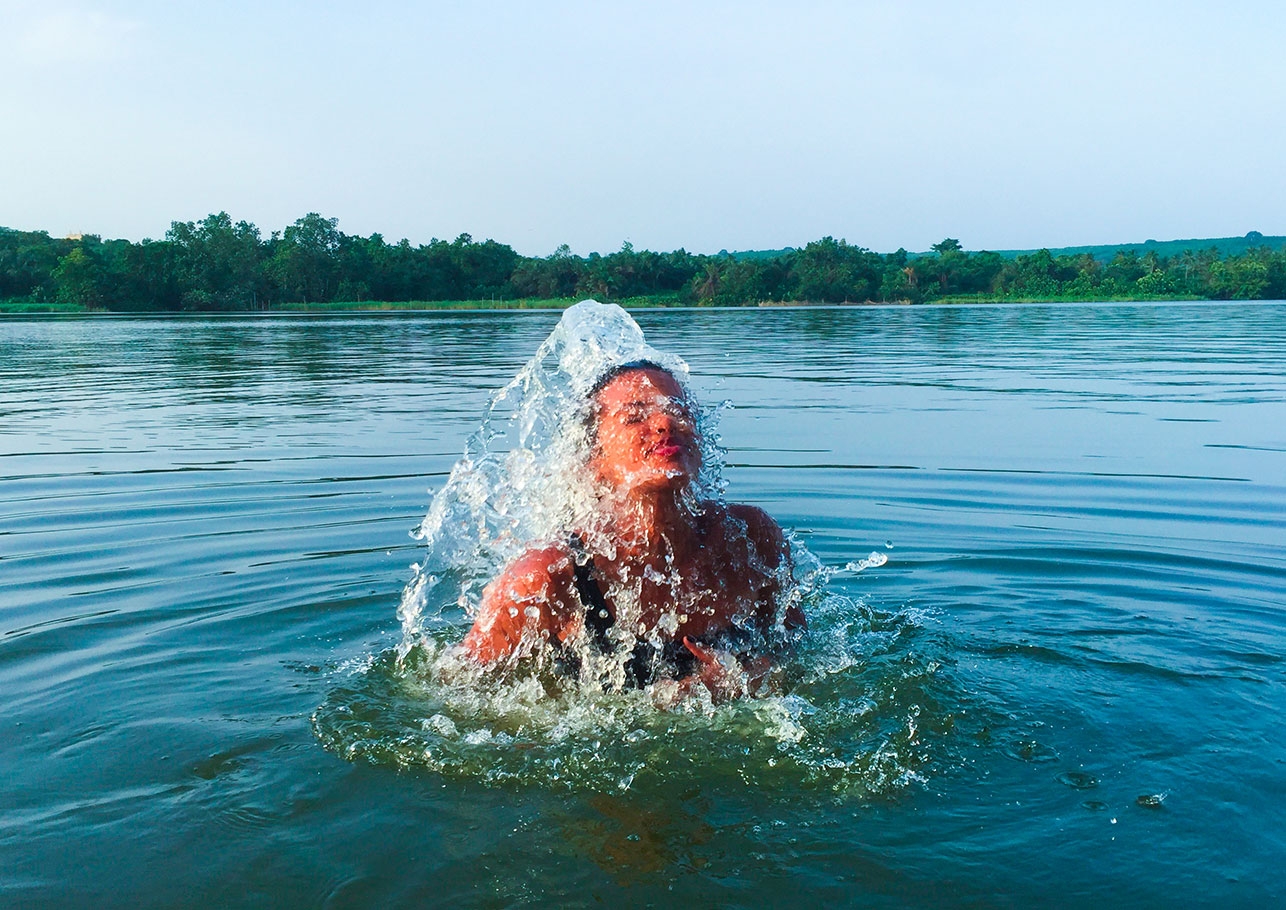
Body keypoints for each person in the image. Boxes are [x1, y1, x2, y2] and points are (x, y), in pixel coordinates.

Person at [459, 361, 804, 700]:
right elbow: (459, 687)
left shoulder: (749, 540)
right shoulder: (545, 578)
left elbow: (800, 652)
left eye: (679, 411)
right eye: (635, 417)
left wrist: (751, 679)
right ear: (593, 459)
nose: (665, 423)